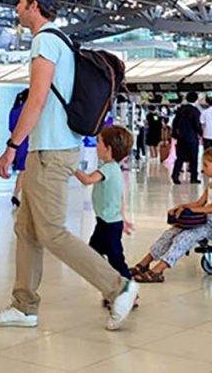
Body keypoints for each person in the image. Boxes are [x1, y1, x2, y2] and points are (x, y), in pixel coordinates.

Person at [0, 0, 139, 332]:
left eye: (20, 2)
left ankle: (119, 287)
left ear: (34, 6)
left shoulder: (45, 41)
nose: (16, 8)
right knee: (26, 229)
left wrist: (11, 147)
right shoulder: (62, 41)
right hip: (52, 148)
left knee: (52, 232)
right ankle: (24, 306)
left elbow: (37, 99)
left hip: (50, 152)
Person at [129, 147, 212, 282]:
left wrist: (190, 211)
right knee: (169, 234)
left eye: (206, 165)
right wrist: (182, 206)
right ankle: (145, 262)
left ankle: (158, 270)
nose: (203, 168)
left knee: (183, 238)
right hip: (203, 222)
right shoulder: (211, 185)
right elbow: (199, 203)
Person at [75, 126, 137, 307]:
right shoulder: (114, 169)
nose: (96, 145)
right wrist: (123, 218)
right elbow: (120, 196)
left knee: (115, 259)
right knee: (95, 256)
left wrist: (71, 167)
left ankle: (127, 293)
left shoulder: (108, 169)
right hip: (107, 222)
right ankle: (114, 289)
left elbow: (87, 180)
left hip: (108, 226)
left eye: (99, 142)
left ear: (108, 149)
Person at [171, 92, 203, 185]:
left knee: (180, 157)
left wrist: (175, 135)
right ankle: (193, 177)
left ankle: (175, 175)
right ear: (196, 100)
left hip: (181, 137)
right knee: (193, 158)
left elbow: (174, 123)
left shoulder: (181, 110)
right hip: (192, 137)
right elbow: (197, 125)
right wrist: (201, 133)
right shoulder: (195, 111)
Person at [8, 89, 29, 207]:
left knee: (23, 171)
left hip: (18, 144)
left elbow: (11, 128)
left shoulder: (14, 110)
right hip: (27, 142)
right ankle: (18, 195)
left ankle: (17, 194)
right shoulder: (27, 110)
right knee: (25, 171)